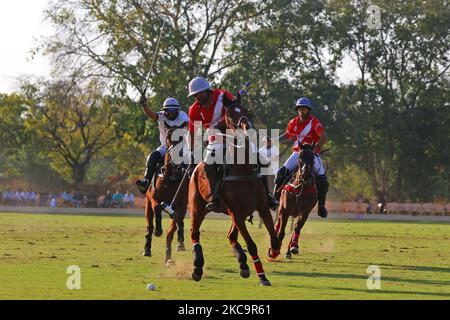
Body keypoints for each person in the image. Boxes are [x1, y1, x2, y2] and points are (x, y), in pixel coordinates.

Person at [186, 76, 278, 212]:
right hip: (215, 137)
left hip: (233, 133)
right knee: (209, 164)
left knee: (260, 158)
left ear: (207, 91)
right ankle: (214, 197)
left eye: (199, 93)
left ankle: (267, 195)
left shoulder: (222, 96)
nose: (197, 97)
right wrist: (191, 152)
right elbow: (192, 132)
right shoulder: (194, 110)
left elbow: (235, 108)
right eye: (194, 95)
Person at [273, 97, 330, 218]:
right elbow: (288, 134)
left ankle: (321, 206)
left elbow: (324, 137)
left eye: (303, 109)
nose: (301, 111)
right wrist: (274, 140)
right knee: (280, 173)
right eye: (299, 109)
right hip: (297, 154)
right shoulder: (293, 122)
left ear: (308, 110)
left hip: (312, 155)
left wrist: (314, 150)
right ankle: (275, 200)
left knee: (323, 181)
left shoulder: (314, 123)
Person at [135, 95, 189, 195]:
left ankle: (193, 185)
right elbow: (151, 114)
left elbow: (189, 126)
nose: (171, 112)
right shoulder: (161, 115)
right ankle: (146, 181)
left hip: (181, 146)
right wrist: (144, 105)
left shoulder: (183, 116)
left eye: (174, 110)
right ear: (164, 110)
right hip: (165, 146)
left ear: (178, 110)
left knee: (192, 159)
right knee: (153, 156)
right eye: (169, 110)